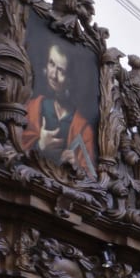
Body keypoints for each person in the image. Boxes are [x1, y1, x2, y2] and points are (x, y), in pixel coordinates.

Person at [22, 40, 97, 178]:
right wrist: (40, 145)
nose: (53, 75)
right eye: (51, 64)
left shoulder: (83, 129)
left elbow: (91, 178)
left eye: (61, 71)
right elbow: (14, 148)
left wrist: (76, 167)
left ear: (70, 79)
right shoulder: (33, 107)